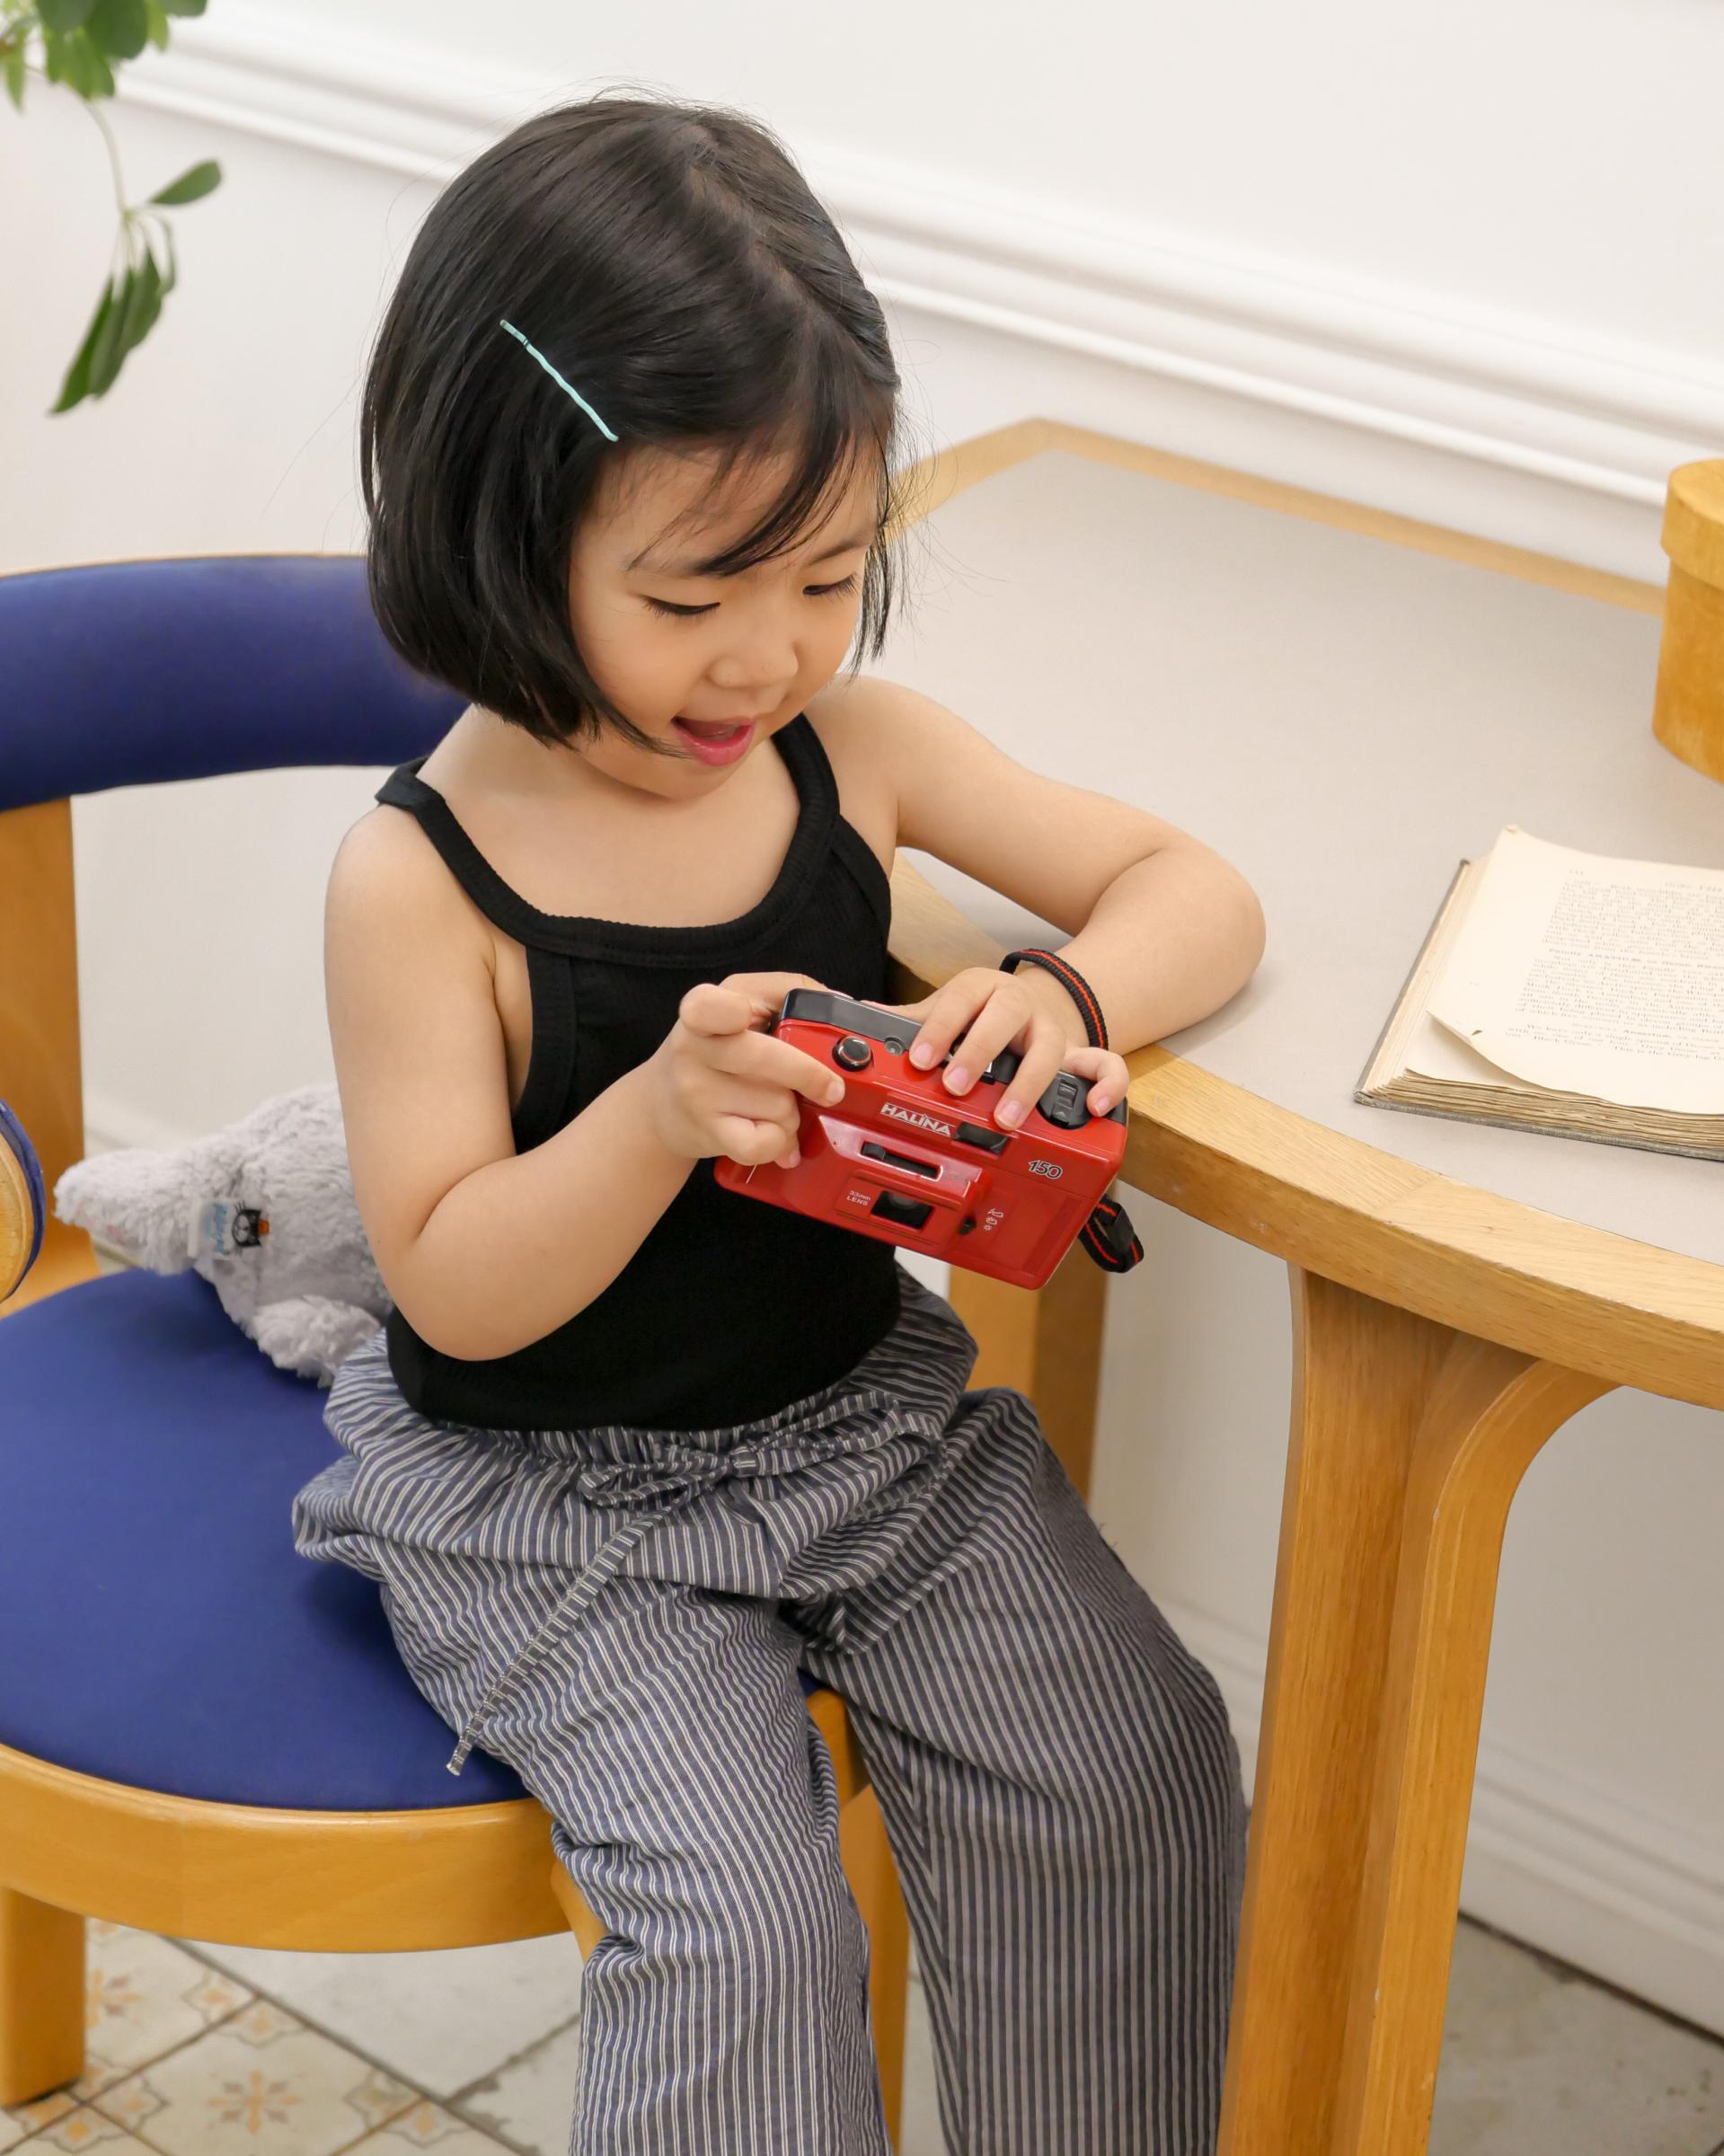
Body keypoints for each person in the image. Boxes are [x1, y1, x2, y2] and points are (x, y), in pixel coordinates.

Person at [291, 87, 1264, 2156]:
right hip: (549, 1507)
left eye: (829, 575)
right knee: (739, 1932)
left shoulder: (858, 751)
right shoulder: (418, 883)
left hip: (866, 1432)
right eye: (691, 598)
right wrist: (655, 1117)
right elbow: (455, 1289)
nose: (766, 656)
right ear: (501, 531)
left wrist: (1062, 992)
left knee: (1137, 1768)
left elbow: (1196, 889)